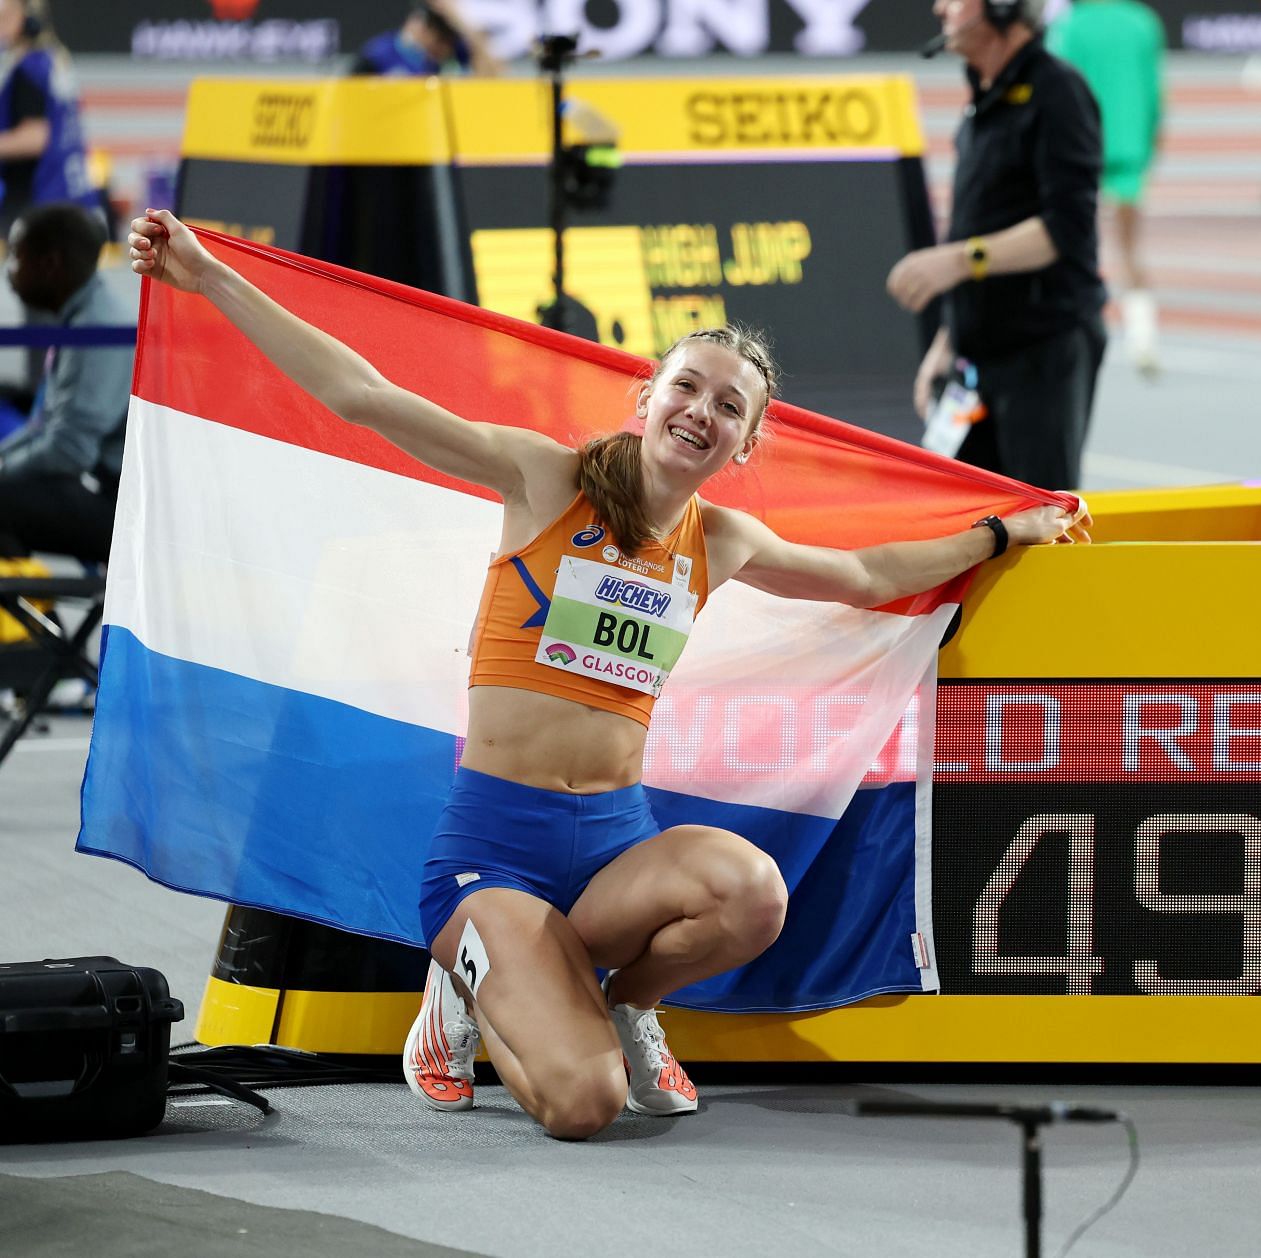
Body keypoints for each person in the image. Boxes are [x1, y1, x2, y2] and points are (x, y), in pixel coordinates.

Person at [128, 207, 1088, 1140]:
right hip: (493, 849)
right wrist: (208, 275)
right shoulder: (546, 479)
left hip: (616, 847)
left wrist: (1008, 528)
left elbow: (869, 576)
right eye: (687, 388)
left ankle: (627, 1005)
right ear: (647, 397)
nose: (701, 413)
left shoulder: (724, 539)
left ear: (747, 444)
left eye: (729, 407)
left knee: (755, 894)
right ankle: (466, 978)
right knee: (584, 1107)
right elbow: (363, 398)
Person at [888, 0, 1107, 491]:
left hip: (1043, 345)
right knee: (971, 512)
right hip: (980, 350)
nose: (939, 7)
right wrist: (950, 341)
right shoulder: (983, 97)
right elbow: (975, 225)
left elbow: (1065, 229)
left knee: (1038, 511)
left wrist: (960, 261)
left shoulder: (1058, 92)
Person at [0, 204, 130, 565]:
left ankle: (31, 614)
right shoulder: (82, 316)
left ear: (50, 265)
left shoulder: (98, 329)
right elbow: (44, 428)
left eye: (15, 258)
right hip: (98, 487)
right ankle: (30, 613)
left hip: (118, 509)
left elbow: (70, 450)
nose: (9, 271)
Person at [1046, 0, 1167, 377]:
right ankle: (1143, 339)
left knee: (1064, 243)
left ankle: (1069, 335)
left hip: (1077, 149)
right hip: (1130, 148)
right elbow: (1155, 95)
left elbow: (1052, 91)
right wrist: (1150, 144)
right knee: (1130, 248)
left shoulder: (1068, 26)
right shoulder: (1142, 23)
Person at [0, 0, 102, 240]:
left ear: (26, 17)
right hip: (74, 197)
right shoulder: (53, 59)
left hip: (41, 204)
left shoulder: (29, 69)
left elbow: (35, 137)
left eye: (4, 17)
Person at [348, 1, 502, 78]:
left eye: (447, 40)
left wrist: (463, 23)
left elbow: (493, 76)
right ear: (421, 26)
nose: (443, 47)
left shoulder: (454, 52)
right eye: (439, 38)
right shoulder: (379, 54)